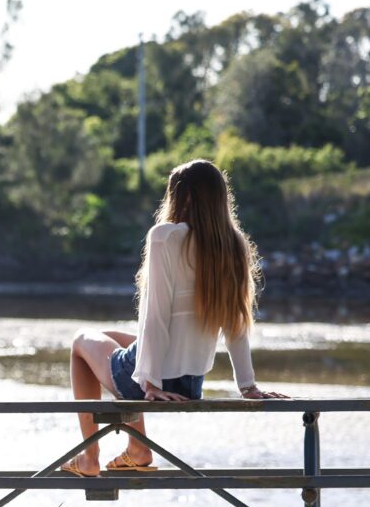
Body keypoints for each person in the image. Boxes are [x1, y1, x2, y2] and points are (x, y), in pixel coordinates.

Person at [62, 159, 287, 477]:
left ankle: (93, 457)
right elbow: (235, 322)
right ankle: (136, 447)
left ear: (183, 198)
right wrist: (247, 385)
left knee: (81, 343)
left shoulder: (165, 236)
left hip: (157, 382)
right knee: (113, 339)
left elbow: (155, 315)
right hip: (190, 383)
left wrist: (149, 384)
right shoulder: (233, 244)